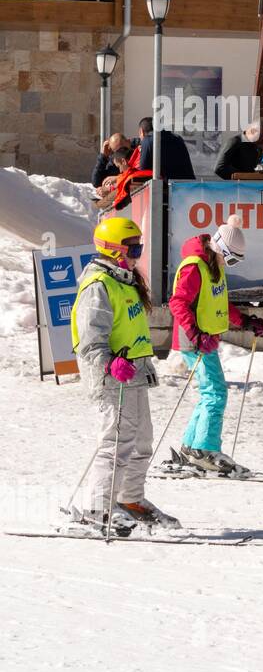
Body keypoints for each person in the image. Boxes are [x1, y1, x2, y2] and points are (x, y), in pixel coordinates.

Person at [69, 217, 169, 532]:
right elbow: (90, 338)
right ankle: (97, 509)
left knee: (141, 442)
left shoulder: (124, 280)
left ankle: (130, 499)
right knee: (116, 442)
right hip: (112, 377)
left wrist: (145, 363)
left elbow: (132, 331)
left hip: (134, 373)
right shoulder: (98, 285)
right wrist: (109, 364)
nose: (138, 253)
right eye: (133, 247)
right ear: (114, 250)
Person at [169, 215, 263, 476]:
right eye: (231, 259)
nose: (231, 264)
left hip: (205, 338)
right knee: (216, 393)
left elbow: (220, 303)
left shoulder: (214, 267)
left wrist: (245, 321)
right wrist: (195, 333)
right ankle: (205, 448)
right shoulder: (194, 266)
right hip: (195, 340)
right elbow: (177, 302)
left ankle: (192, 446)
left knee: (209, 393)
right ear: (221, 249)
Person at [136, 117, 195, 181]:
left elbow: (143, 172)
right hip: (188, 186)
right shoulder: (178, 138)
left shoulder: (147, 141)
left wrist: (142, 153)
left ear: (141, 131)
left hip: (165, 188)